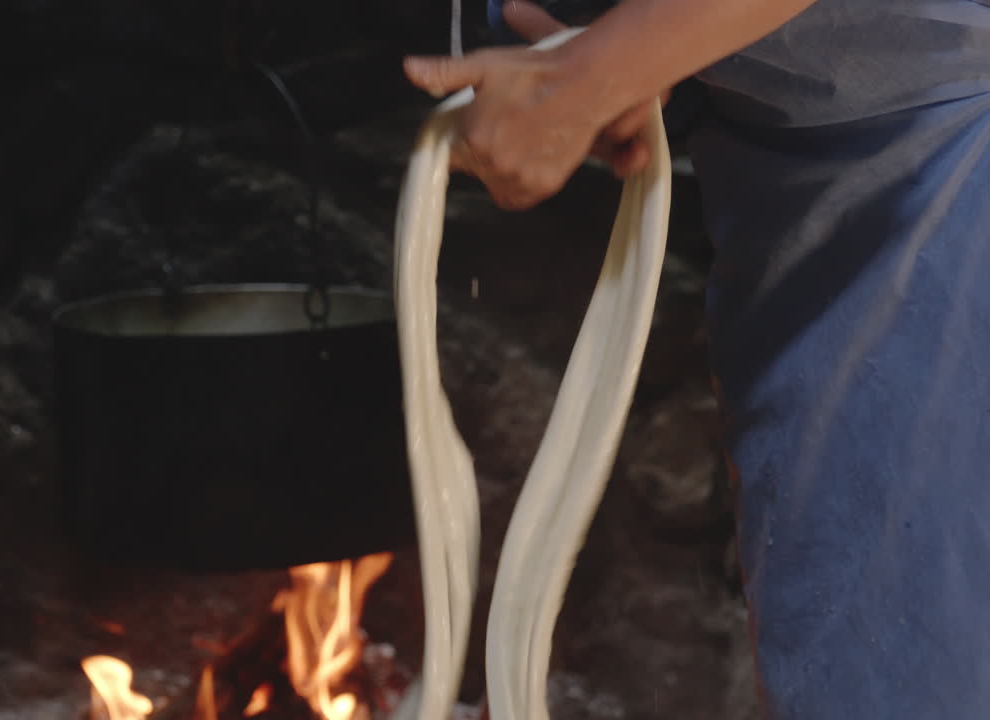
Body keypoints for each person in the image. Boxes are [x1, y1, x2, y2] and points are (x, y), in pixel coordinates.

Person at [402, 0, 990, 717]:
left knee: (912, 663)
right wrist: (636, 42)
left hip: (946, 171)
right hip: (793, 186)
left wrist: (590, 74)